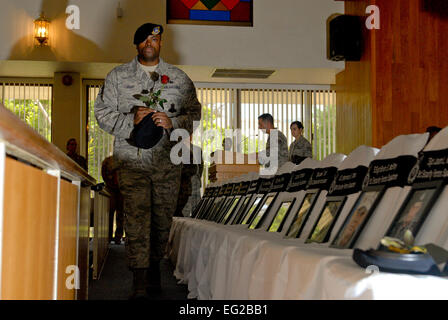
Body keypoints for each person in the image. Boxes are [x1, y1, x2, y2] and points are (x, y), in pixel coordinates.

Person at [94, 22, 201, 299]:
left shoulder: (180, 79)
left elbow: (195, 115)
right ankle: (139, 279)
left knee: (163, 220)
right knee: (137, 218)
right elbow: (102, 114)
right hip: (132, 162)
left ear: (161, 42)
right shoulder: (117, 77)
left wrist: (173, 121)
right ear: (137, 44)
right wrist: (131, 121)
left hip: (168, 164)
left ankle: (154, 269)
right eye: (144, 39)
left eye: (155, 38)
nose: (150, 43)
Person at [174, 137, 204, 217]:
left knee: (194, 210)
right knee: (189, 211)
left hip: (191, 183)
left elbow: (200, 167)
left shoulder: (197, 150)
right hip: (187, 184)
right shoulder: (177, 149)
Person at [101, 156, 124, 244]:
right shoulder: (106, 162)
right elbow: (104, 176)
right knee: (110, 214)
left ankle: (118, 237)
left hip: (121, 190)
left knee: (121, 214)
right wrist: (112, 185)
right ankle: (108, 236)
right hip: (110, 190)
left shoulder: (122, 162)